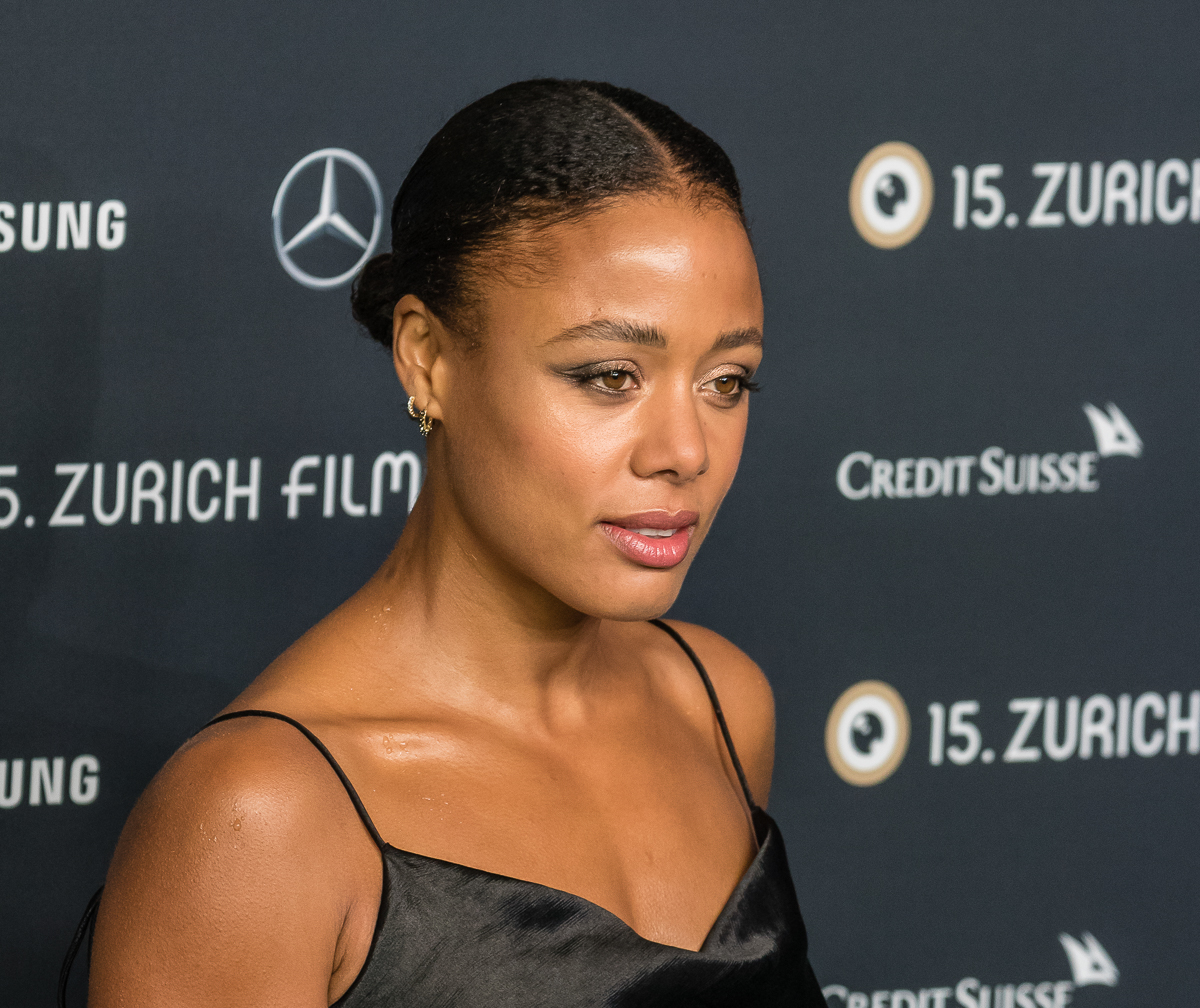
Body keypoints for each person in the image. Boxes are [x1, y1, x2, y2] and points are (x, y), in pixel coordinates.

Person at [82, 79, 824, 1006]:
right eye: (609, 376)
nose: (685, 451)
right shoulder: (261, 821)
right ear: (427, 359)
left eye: (727, 382)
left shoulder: (719, 704)